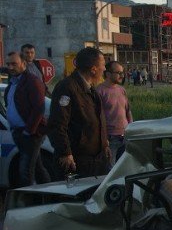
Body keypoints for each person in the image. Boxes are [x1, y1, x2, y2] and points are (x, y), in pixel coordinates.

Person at [47, 47, 111, 178]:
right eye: (103, 65)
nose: (104, 69)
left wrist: (104, 143)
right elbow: (57, 124)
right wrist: (65, 152)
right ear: (93, 69)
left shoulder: (90, 88)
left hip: (97, 161)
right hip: (78, 162)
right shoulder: (67, 87)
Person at [4, 51, 51, 185]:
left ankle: (30, 203)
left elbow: (39, 109)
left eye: (14, 64)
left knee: (25, 171)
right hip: (18, 132)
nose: (11, 67)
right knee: (37, 168)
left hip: (31, 133)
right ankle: (49, 196)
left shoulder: (32, 81)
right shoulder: (13, 82)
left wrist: (28, 131)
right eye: (8, 64)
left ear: (24, 64)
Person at [95, 60, 133, 161]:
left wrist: (131, 128)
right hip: (110, 138)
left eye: (122, 73)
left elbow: (128, 111)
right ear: (108, 74)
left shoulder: (121, 90)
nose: (122, 75)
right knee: (110, 169)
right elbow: (98, 117)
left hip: (125, 136)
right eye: (118, 73)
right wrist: (104, 139)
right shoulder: (99, 91)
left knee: (123, 168)